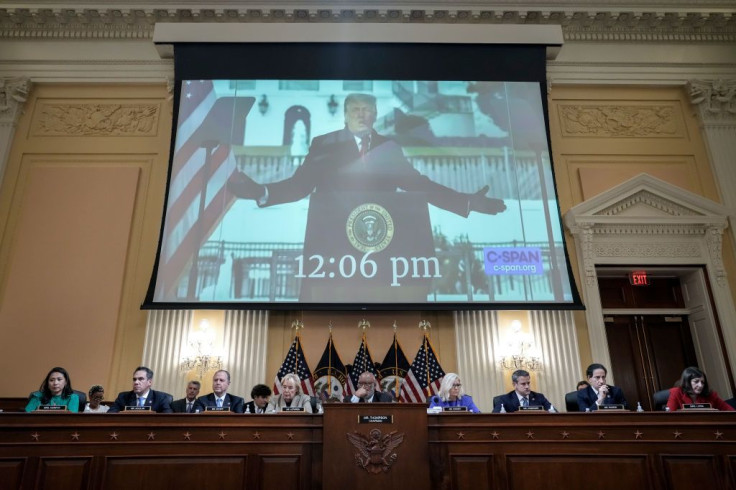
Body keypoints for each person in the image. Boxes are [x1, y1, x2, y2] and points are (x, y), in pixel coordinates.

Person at [226, 93, 507, 301]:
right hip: (332, 255)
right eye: (356, 110)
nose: (362, 115)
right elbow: (299, 186)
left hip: (381, 256)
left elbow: (417, 184)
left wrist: (465, 201)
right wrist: (262, 192)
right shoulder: (325, 144)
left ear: (374, 116)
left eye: (368, 110)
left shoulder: (389, 147)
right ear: (345, 116)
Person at [666, 366, 735, 412]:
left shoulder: (710, 395)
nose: (700, 385)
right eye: (696, 381)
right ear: (687, 382)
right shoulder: (676, 392)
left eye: (702, 382)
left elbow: (730, 411)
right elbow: (669, 416)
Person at [107, 366, 173, 413]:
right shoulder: (123, 397)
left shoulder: (161, 398)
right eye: (134, 379)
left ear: (149, 382)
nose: (136, 382)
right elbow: (110, 415)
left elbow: (167, 418)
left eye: (141, 379)